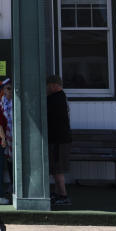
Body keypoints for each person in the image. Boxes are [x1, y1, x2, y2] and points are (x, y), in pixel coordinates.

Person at [46, 75, 72, 205]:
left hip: (59, 140)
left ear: (53, 85)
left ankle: (63, 195)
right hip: (61, 139)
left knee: (57, 169)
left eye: (48, 85)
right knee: (57, 168)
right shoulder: (61, 97)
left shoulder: (55, 99)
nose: (46, 88)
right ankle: (57, 193)